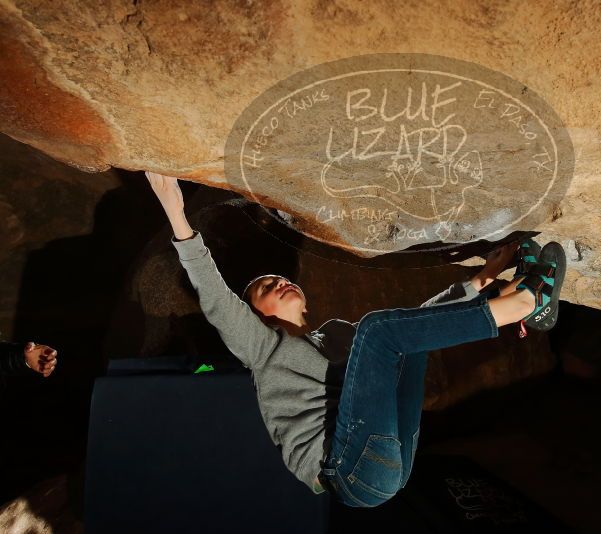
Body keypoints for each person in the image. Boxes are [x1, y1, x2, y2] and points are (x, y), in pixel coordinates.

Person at [145, 171, 565, 508]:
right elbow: (217, 299)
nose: (281, 282)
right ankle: (528, 302)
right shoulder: (262, 349)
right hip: (348, 471)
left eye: (282, 278)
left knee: (402, 338)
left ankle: (518, 290)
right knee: (377, 331)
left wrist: (484, 276)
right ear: (255, 316)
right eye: (267, 287)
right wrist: (174, 211)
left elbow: (416, 323)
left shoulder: (337, 336)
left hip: (390, 460)